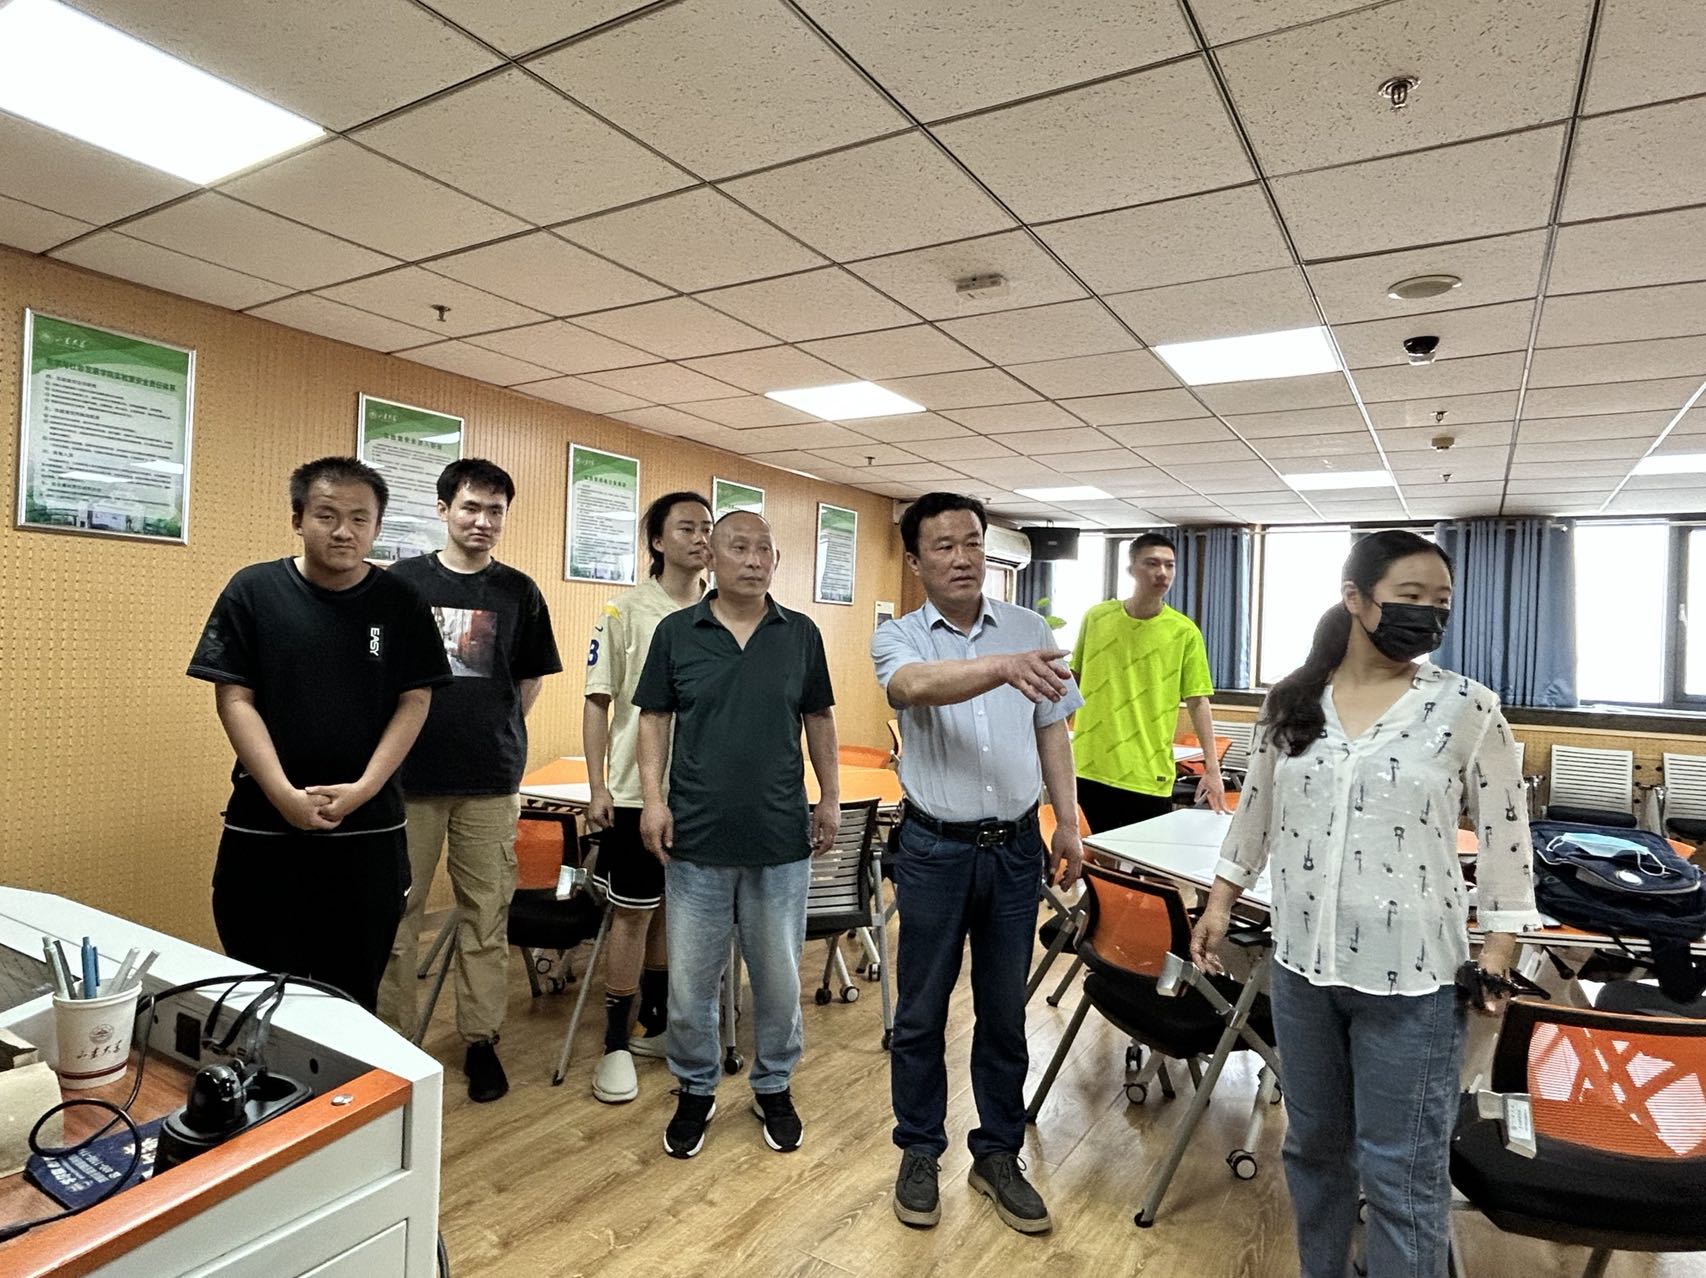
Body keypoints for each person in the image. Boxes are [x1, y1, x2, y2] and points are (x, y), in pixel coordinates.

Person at [1189, 529, 1539, 1278]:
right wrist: (1220, 900)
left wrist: (1499, 951)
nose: (1429, 615)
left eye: (1441, 602)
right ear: (1355, 598)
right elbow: (1255, 812)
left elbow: (1507, 836)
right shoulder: (1292, 702)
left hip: (1413, 983)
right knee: (1313, 1150)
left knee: (1400, 1174)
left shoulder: (1466, 707)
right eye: (1410, 597)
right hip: (1302, 970)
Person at [872, 491, 1084, 1237]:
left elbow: (1053, 730)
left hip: (1016, 849)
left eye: (972, 543)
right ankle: (918, 1149)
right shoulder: (899, 637)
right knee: (920, 1012)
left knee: (1003, 1013)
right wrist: (1001, 667)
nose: (962, 559)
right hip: (933, 850)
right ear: (915, 560)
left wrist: (1068, 823)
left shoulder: (1031, 630)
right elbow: (912, 688)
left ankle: (997, 1154)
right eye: (944, 546)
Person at [187, 457, 451, 1012]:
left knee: (350, 998)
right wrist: (283, 793)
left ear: (377, 527)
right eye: (326, 515)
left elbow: (415, 700)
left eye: (359, 518)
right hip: (265, 824)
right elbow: (234, 697)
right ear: (297, 519)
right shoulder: (253, 590)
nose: (343, 531)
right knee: (259, 992)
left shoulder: (399, 601)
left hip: (369, 830)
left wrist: (364, 789)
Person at [633, 511, 839, 1160]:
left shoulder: (800, 634)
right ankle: (695, 1089)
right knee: (690, 985)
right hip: (696, 838)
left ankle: (773, 1085)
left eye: (764, 550)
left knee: (777, 981)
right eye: (738, 547)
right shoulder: (676, 632)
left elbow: (819, 718)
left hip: (780, 839)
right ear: (711, 557)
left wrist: (831, 795)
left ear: (777, 561)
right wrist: (652, 801)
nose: (753, 560)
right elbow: (653, 720)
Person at [376, 459, 562, 1103]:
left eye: (495, 511)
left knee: (485, 916)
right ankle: (393, 1044)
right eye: (470, 508)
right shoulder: (401, 583)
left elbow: (528, 678)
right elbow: (375, 670)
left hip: (489, 780)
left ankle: (481, 1040)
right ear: (443, 510)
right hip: (408, 780)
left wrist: (494, 726)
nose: (482, 521)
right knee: (397, 916)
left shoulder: (518, 591)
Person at [582, 491, 713, 1106]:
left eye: (706, 527)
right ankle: (614, 1041)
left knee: (676, 912)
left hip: (704, 795)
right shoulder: (625, 610)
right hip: (639, 791)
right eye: (686, 527)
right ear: (658, 541)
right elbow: (598, 701)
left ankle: (656, 1023)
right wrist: (599, 785)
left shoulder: (724, 610)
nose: (701, 537)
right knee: (634, 913)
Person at [1069, 532, 1225, 834]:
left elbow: (1198, 701)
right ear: (1131, 569)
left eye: (1169, 565)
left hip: (1147, 774)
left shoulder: (1184, 632)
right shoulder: (1096, 618)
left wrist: (1212, 768)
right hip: (1088, 767)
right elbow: (1073, 681)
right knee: (1093, 857)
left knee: (1143, 858)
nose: (1162, 572)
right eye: (1152, 563)